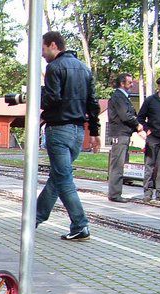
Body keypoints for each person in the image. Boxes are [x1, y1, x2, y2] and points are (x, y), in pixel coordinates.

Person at [35, 31, 100, 241]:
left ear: (53, 45)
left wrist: (37, 105)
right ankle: (35, 217)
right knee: (58, 176)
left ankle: (80, 224)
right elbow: (93, 103)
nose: (42, 54)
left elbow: (52, 98)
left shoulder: (54, 67)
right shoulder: (84, 68)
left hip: (59, 129)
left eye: (43, 49)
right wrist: (95, 132)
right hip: (77, 132)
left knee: (64, 179)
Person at [107, 73, 146, 203]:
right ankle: (115, 194)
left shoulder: (123, 97)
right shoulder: (118, 97)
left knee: (119, 163)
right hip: (120, 134)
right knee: (117, 164)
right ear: (122, 83)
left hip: (124, 133)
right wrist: (138, 126)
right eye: (129, 82)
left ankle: (115, 192)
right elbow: (126, 116)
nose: (132, 84)